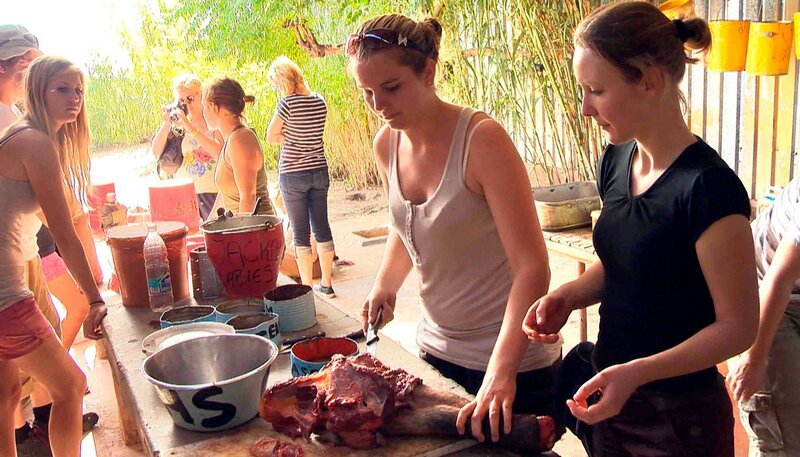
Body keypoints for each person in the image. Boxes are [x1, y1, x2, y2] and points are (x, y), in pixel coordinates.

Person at [523, 3, 759, 455]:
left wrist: (639, 371)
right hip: (613, 399)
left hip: (678, 420)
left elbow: (738, 327)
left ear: (649, 81)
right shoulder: (616, 160)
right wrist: (568, 297)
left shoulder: (708, 188)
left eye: (596, 91)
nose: (586, 108)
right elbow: (629, 266)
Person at [348, 14, 562, 444]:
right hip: (436, 351)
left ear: (428, 72)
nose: (379, 105)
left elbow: (532, 267)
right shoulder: (386, 143)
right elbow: (407, 228)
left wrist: (502, 373)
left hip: (511, 365)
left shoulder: (482, 140)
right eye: (367, 93)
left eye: (391, 88)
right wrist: (384, 286)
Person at [0, 55, 107, 457]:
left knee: (7, 393)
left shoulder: (21, 137)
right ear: (37, 91)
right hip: (4, 293)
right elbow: (62, 232)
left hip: (9, 282)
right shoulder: (34, 142)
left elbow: (61, 218)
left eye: (78, 90)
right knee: (71, 386)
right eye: (62, 89)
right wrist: (95, 298)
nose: (74, 98)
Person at [727, 177, 800, 456]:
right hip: (758, 291)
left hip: (793, 291)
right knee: (784, 438)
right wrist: (754, 357)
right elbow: (778, 279)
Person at [266, 56, 336, 297]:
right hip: (319, 170)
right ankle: (326, 284)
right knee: (322, 227)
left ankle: (306, 288)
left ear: (282, 80)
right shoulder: (319, 101)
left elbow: (270, 136)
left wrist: (287, 136)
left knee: (300, 232)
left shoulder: (286, 105)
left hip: (292, 174)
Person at [151, 74, 222, 220]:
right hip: (185, 193)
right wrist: (166, 124)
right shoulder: (179, 125)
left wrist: (190, 127)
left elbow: (220, 152)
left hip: (212, 191)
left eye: (190, 99)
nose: (187, 105)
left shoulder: (213, 122)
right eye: (181, 101)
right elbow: (156, 152)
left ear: (202, 96)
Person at [203, 77, 275, 216]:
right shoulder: (231, 139)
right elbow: (227, 195)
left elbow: (248, 196)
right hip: (240, 228)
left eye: (205, 107)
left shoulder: (240, 138)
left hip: (257, 231)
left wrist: (243, 235)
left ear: (215, 107)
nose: (204, 112)